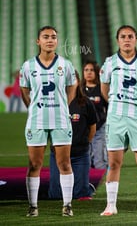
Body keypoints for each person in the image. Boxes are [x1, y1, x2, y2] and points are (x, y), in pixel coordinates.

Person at [99, 25, 137, 216]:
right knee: (114, 162)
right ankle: (111, 205)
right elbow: (104, 89)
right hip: (116, 117)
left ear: (136, 39)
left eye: (130, 36)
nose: (127, 39)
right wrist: (118, 104)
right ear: (118, 40)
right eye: (123, 36)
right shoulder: (109, 63)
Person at [20, 26, 76, 217]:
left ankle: (67, 205)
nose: (50, 40)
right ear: (38, 41)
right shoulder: (28, 66)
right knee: (35, 164)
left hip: (61, 120)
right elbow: (24, 90)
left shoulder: (65, 65)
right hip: (36, 121)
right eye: (46, 37)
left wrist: (63, 106)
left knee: (65, 163)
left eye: (53, 37)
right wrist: (34, 108)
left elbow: (72, 88)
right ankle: (33, 206)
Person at [49, 70, 97, 200]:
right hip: (58, 154)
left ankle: (86, 187)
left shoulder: (85, 103)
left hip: (80, 155)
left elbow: (92, 126)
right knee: (55, 195)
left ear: (78, 82)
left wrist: (85, 142)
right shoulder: (53, 103)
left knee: (80, 195)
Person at [82, 61, 108, 170]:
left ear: (96, 72)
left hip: (100, 126)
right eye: (86, 70)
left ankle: (102, 181)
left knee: (99, 160)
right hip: (84, 129)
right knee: (85, 158)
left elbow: (108, 105)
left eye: (92, 70)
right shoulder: (80, 90)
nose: (89, 72)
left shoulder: (101, 88)